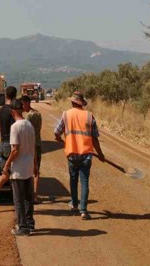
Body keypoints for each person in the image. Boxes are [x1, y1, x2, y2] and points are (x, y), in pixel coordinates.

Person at [54, 91, 105, 220]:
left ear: (72, 102)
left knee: (73, 179)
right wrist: (100, 154)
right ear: (82, 103)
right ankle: (84, 211)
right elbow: (94, 139)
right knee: (84, 182)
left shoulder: (66, 115)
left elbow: (56, 133)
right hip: (86, 155)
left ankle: (74, 204)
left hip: (72, 154)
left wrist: (63, 142)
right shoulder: (89, 116)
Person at [4, 99, 37, 236]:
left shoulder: (15, 127)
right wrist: (35, 165)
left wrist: (6, 164)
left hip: (18, 168)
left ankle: (22, 227)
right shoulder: (29, 124)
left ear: (12, 111)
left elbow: (15, 150)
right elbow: (33, 148)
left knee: (18, 200)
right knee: (28, 199)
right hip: (29, 166)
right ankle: (30, 223)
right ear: (21, 109)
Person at [21, 95, 42, 203]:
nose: (22, 107)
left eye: (23, 104)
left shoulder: (28, 117)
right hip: (38, 143)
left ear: (27, 103)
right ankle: (35, 195)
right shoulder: (38, 113)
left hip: (31, 145)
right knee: (36, 171)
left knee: (30, 170)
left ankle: (31, 195)